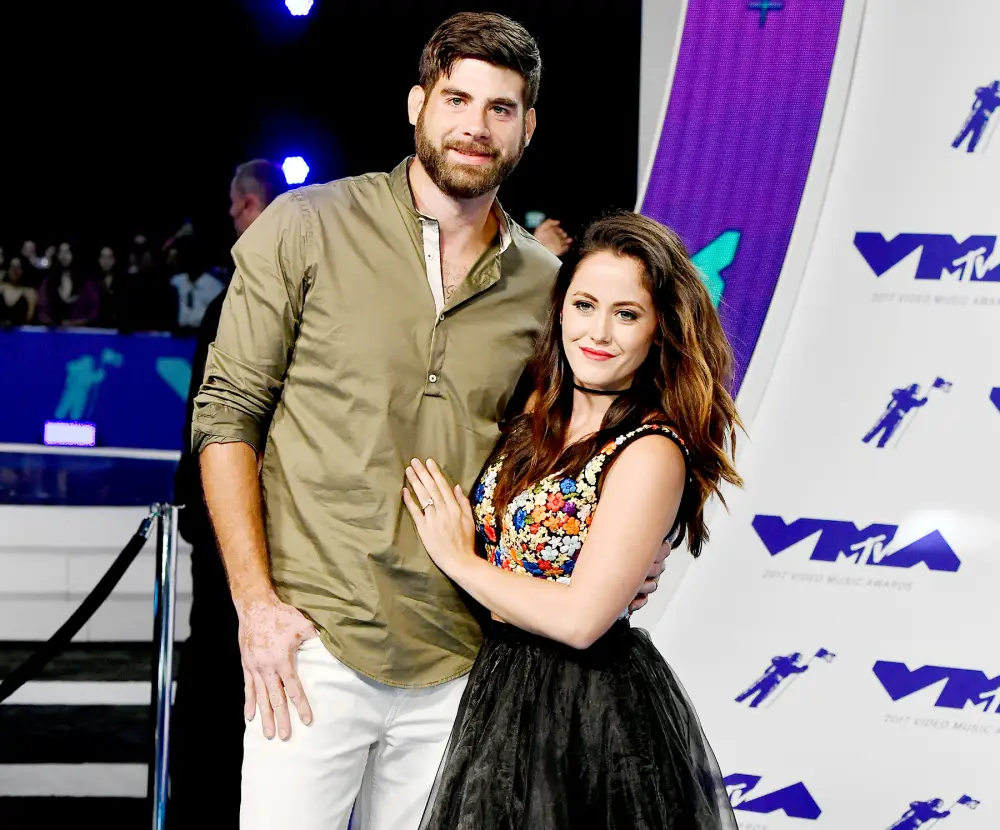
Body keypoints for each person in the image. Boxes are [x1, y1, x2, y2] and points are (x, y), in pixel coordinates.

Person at [190, 13, 667, 829]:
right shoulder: (306, 226)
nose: (476, 126)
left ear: (529, 128)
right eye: (457, 99)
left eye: (501, 108)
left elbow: (564, 444)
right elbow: (228, 414)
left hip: (465, 662)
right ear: (417, 104)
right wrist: (256, 605)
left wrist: (614, 546)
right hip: (312, 645)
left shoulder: (548, 287)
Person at [404, 212, 743, 829]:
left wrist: (459, 560)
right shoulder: (535, 412)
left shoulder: (650, 450)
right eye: (585, 304)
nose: (599, 332)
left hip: (586, 712)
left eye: (627, 313)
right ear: (559, 308)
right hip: (494, 691)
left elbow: (582, 620)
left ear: (657, 330)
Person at [168, 159, 288, 828]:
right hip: (244, 523)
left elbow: (212, 423)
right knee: (225, 679)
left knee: (220, 675)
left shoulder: (240, 297)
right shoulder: (247, 296)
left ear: (247, 208)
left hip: (237, 524)